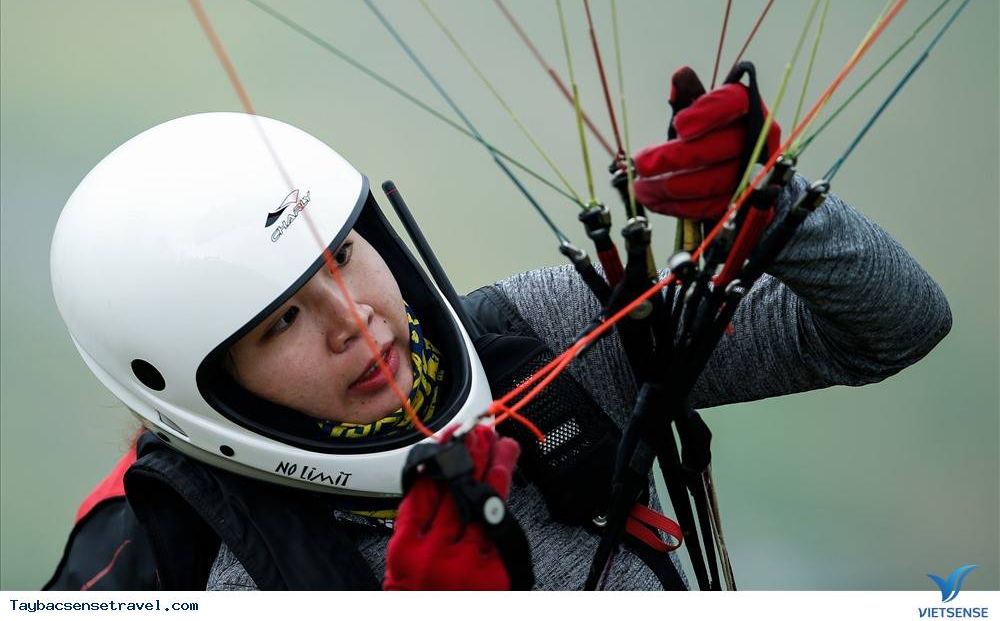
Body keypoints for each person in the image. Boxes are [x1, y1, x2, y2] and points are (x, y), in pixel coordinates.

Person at [45, 71, 951, 591]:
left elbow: (891, 328)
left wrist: (774, 205)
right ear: (210, 386)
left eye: (343, 256)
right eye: (283, 318)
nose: (352, 319)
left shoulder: (539, 340)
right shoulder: (236, 580)